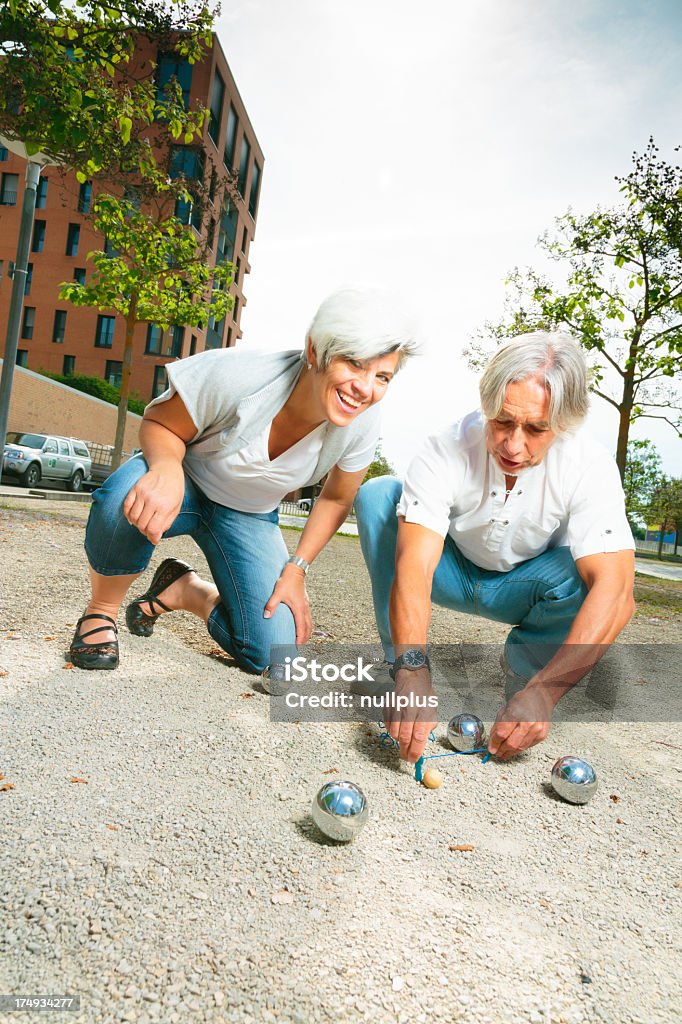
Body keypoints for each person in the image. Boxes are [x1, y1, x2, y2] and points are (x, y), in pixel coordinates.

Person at [69, 288, 418, 673]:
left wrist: (296, 568)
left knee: (275, 657)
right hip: (187, 480)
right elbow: (160, 423)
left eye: (382, 376)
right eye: (354, 364)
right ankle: (101, 611)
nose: (365, 389)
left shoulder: (362, 422)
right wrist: (166, 468)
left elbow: (336, 499)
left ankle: (186, 590)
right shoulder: (239, 375)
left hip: (249, 515)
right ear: (316, 351)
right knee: (125, 500)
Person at [355, 331, 635, 763]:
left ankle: (526, 684)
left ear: (563, 423)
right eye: (502, 421)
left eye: (536, 429)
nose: (513, 444)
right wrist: (412, 669)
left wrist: (546, 693)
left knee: (590, 575)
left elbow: (617, 595)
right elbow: (414, 564)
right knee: (378, 496)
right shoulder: (445, 447)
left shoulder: (589, 465)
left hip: (524, 587)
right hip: (450, 571)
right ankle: (400, 666)